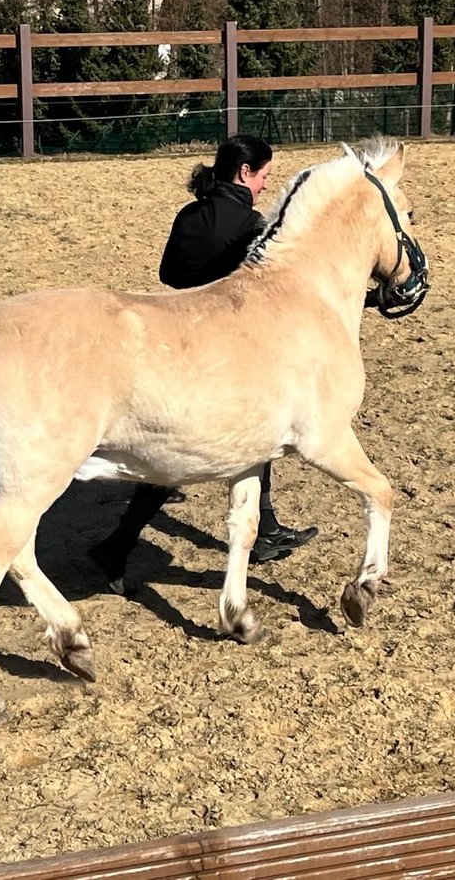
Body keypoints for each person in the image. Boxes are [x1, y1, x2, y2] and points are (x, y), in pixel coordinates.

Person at [90, 135, 318, 591]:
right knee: (246, 435)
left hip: (172, 339)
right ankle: (118, 544)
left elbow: (168, 275)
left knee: (173, 449)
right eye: (264, 177)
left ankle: (123, 543)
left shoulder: (188, 216)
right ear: (244, 173)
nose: (265, 187)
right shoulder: (250, 225)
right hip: (222, 344)